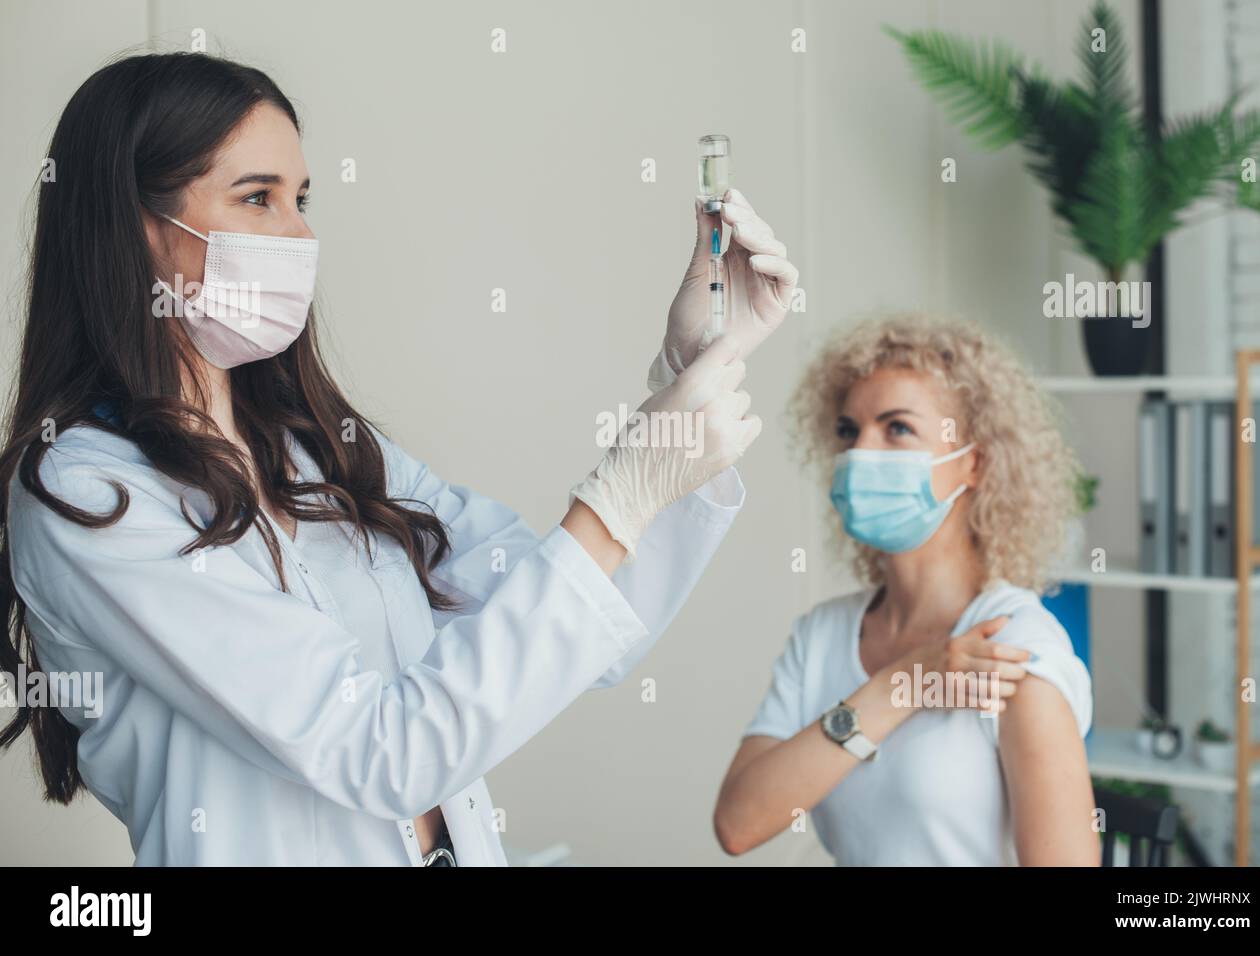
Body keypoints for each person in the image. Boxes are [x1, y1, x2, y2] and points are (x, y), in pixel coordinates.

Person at [0, 52, 798, 866]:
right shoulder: (88, 494)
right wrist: (616, 497)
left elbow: (583, 624)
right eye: (257, 198)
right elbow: (382, 753)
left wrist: (687, 373)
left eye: (301, 198)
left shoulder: (320, 448)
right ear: (135, 227)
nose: (300, 235)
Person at [713, 315, 1099, 866]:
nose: (860, 453)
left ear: (973, 464)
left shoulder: (1011, 649)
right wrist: (903, 686)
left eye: (897, 428)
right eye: (849, 431)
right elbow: (738, 824)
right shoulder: (822, 635)